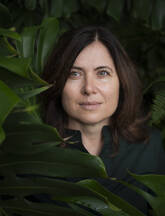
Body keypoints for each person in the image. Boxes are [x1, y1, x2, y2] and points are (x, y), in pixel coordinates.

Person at [42, 25, 165, 214]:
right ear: (57, 81)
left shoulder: (151, 146)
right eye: (74, 74)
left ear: (122, 81)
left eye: (103, 73)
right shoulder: (30, 154)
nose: (89, 88)